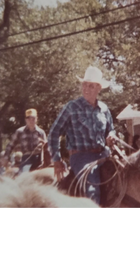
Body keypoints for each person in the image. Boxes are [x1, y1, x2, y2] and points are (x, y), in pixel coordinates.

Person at [48, 66, 117, 206]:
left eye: (91, 86)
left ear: (99, 88)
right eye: (84, 84)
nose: (86, 88)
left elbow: (111, 129)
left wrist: (111, 136)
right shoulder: (72, 108)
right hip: (81, 157)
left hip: (104, 154)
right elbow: (54, 133)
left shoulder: (104, 109)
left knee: (127, 174)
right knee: (92, 187)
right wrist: (56, 160)